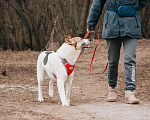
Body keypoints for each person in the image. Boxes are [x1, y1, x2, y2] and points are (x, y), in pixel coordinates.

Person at [87, 0, 149, 104]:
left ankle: (130, 92)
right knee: (112, 61)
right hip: (112, 25)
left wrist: (131, 8)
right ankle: (112, 88)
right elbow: (97, 4)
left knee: (130, 59)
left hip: (132, 25)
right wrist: (91, 23)